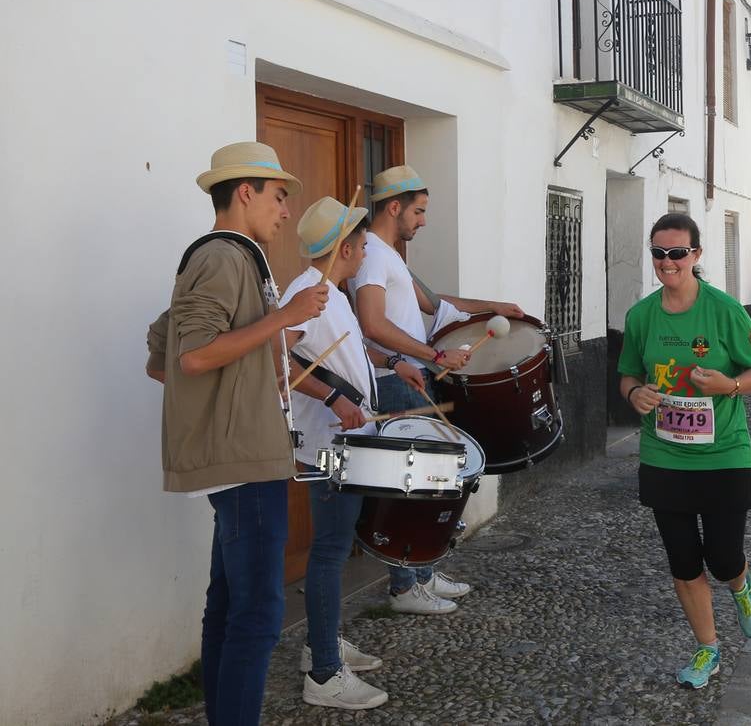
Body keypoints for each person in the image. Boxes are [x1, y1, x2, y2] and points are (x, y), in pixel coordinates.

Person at [146, 142, 327, 725]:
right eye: (278, 196)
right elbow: (193, 356)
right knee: (255, 616)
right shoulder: (226, 257)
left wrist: (258, 362)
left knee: (228, 607)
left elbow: (163, 357)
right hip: (244, 460)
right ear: (244, 191)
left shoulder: (228, 257)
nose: (285, 211)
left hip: (243, 456)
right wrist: (285, 317)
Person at [350, 164, 524, 614]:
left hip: (412, 378)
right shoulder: (369, 253)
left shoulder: (391, 255)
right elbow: (371, 324)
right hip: (393, 381)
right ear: (394, 207)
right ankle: (405, 586)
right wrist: (433, 357)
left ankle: (423, 571)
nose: (423, 221)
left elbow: (437, 304)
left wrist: (492, 307)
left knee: (429, 480)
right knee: (408, 486)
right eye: (420, 211)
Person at [618, 212, 751, 688]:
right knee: (683, 561)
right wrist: (633, 394)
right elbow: (628, 374)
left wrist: (729, 384)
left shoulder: (724, 310)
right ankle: (708, 649)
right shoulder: (641, 316)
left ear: (696, 255)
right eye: (659, 253)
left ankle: (741, 585)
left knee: (724, 555)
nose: (668, 262)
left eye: (677, 253)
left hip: (724, 453)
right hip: (664, 456)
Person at [283, 197, 427, 709]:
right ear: (344, 248)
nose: (366, 250)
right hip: (326, 445)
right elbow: (279, 363)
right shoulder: (309, 294)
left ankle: (319, 644)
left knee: (336, 547)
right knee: (328, 551)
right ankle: (324, 674)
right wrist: (335, 398)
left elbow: (349, 347)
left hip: (343, 440)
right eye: (362, 243)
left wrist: (393, 361)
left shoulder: (331, 293)